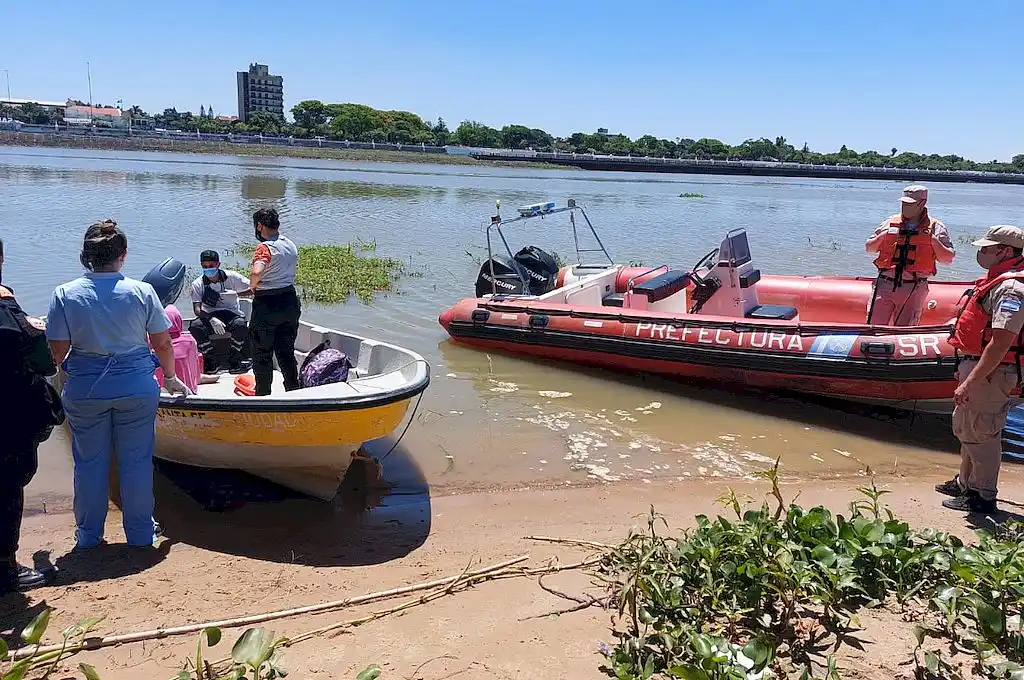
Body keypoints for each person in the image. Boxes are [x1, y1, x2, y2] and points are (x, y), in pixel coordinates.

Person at [46, 220, 192, 550]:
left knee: (89, 464)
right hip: (137, 387)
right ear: (123, 256)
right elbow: (163, 343)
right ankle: (140, 535)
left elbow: (56, 352)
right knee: (136, 462)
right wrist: (169, 377)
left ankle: (88, 537)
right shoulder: (143, 291)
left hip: (86, 389)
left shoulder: (65, 294)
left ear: (85, 257)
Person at [936, 225, 1024, 514]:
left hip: (993, 372)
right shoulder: (996, 281)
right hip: (980, 368)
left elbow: (1000, 342)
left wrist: (971, 380)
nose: (980, 252)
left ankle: (982, 496)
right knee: (968, 428)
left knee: (981, 434)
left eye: (987, 248)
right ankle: (966, 483)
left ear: (1006, 251)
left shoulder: (1011, 288)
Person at [0, 239, 62, 594]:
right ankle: (5, 569)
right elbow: (43, 363)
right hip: (8, 422)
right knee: (7, 491)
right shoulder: (8, 312)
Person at [865, 185, 956, 326]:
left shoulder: (936, 227)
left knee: (904, 331)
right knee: (873, 327)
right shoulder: (889, 223)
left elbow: (947, 258)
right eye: (903, 203)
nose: (905, 206)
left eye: (910, 204)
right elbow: (870, 249)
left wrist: (932, 240)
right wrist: (884, 236)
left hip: (914, 287)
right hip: (885, 283)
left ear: (923, 203)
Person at [248, 207, 301, 396]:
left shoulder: (265, 247)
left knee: (262, 353)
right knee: (286, 351)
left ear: (260, 226)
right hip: (289, 301)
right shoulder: (290, 244)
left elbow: (257, 271)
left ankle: (262, 395)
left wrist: (253, 286)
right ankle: (294, 391)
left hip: (267, 304)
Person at [187, 250, 251, 374]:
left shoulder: (232, 277)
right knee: (195, 327)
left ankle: (235, 361)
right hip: (210, 315)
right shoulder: (197, 284)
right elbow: (197, 310)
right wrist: (211, 319)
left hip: (231, 313)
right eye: (205, 266)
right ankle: (211, 361)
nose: (208, 269)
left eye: (211, 266)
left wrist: (237, 294)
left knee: (240, 325)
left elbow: (254, 288)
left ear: (218, 264)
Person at [155, 304, 202, 394]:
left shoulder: (154, 342)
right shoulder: (189, 340)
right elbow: (195, 372)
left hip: (164, 391)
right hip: (189, 390)